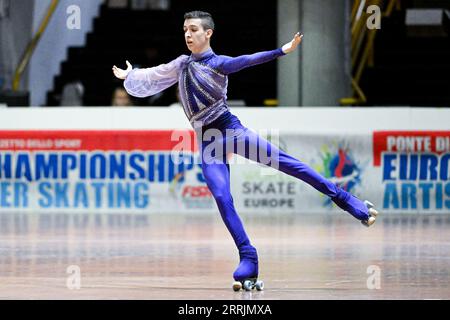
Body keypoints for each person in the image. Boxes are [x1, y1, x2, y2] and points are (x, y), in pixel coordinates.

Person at [112, 10, 379, 291]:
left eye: (193, 29)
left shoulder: (218, 63)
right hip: (208, 143)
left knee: (289, 165)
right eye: (185, 30)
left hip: (231, 131)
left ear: (208, 33)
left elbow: (247, 60)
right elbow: (156, 74)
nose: (188, 35)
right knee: (222, 198)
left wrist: (281, 51)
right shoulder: (181, 64)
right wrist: (132, 74)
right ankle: (248, 256)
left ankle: (347, 200)